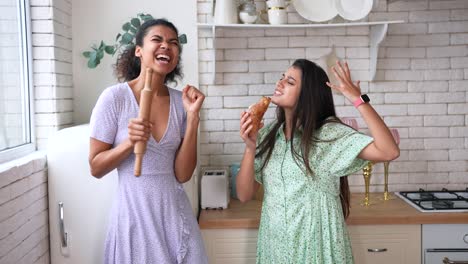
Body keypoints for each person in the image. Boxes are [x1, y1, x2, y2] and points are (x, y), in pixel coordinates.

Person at [237, 59, 399, 264]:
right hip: (275, 249)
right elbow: (244, 194)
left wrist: (358, 100)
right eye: (282, 78)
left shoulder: (327, 135)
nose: (280, 83)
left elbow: (389, 151)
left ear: (308, 94)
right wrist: (250, 147)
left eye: (290, 82)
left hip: (318, 251)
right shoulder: (268, 135)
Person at [88, 18, 208, 264]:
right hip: (134, 217)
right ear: (139, 51)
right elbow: (96, 167)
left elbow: (183, 174)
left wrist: (194, 117)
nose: (166, 46)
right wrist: (128, 144)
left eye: (173, 43)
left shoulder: (181, 103)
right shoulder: (114, 99)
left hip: (175, 217)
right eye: (158, 40)